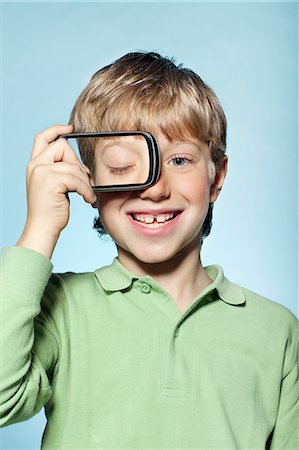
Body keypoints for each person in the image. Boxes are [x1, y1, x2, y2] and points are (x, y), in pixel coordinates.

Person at [0, 52, 298, 449]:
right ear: (88, 182)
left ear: (216, 178)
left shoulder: (277, 331)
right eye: (123, 166)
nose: (155, 189)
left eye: (179, 160)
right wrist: (39, 227)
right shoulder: (60, 307)